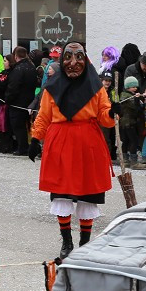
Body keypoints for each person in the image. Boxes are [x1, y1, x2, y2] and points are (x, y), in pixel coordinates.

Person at [28, 42, 116, 259]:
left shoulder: (96, 87)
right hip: (60, 142)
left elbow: (105, 117)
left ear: (85, 60)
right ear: (61, 60)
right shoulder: (52, 87)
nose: (73, 63)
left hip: (89, 143)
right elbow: (44, 116)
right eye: (68, 57)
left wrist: (113, 112)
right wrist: (35, 137)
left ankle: (85, 244)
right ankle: (66, 242)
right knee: (62, 193)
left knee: (87, 194)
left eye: (78, 57)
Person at [1, 46, 38, 155]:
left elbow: (13, 87)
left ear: (15, 56)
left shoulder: (18, 69)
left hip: (17, 103)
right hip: (29, 101)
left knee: (18, 126)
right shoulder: (31, 67)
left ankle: (22, 148)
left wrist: (7, 99)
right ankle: (26, 146)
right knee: (26, 125)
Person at [115, 75, 144, 166]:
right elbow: (135, 108)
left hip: (125, 122)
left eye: (136, 87)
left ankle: (125, 160)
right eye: (133, 87)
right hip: (129, 122)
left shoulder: (128, 95)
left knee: (127, 141)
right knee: (134, 141)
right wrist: (137, 99)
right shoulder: (127, 96)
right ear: (127, 87)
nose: (135, 88)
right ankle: (133, 161)